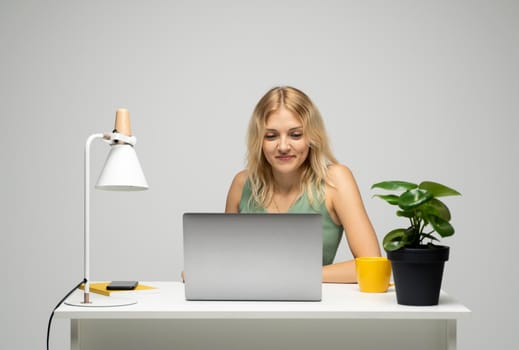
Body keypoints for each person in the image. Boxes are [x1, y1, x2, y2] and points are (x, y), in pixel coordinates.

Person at [225, 86, 381, 283]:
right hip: (252, 308)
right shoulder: (242, 184)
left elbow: (372, 265)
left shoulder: (336, 180)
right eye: (271, 136)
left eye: (296, 134)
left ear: (312, 137)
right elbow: (228, 263)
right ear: (259, 140)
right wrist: (204, 273)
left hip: (312, 309)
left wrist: (290, 275)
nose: (283, 146)